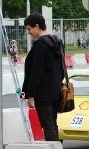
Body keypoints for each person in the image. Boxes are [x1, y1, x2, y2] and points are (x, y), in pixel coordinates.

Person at [21, 12, 64, 141]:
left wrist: (30, 94)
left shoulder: (41, 45)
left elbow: (36, 72)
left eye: (29, 29)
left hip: (43, 93)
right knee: (52, 123)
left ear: (37, 26)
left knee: (47, 125)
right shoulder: (57, 41)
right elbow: (62, 68)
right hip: (56, 91)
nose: (29, 33)